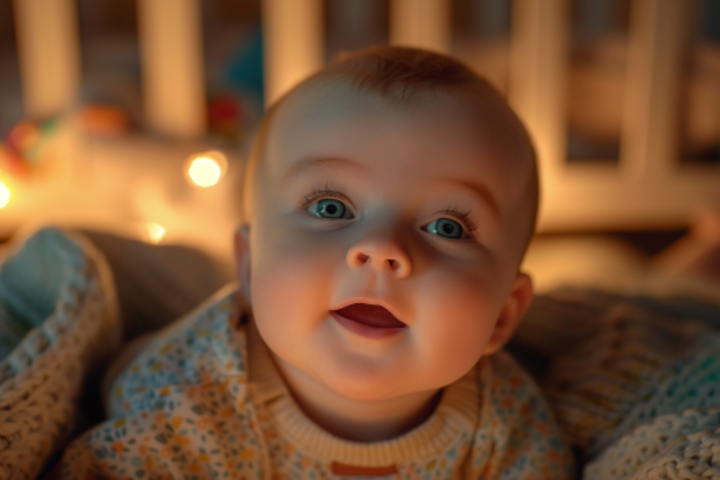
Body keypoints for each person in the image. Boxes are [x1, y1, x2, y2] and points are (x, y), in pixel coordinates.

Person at [58, 46, 574, 479]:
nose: (381, 250)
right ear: (249, 267)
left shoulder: (509, 434)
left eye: (448, 227)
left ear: (503, 317)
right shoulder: (177, 400)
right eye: (331, 208)